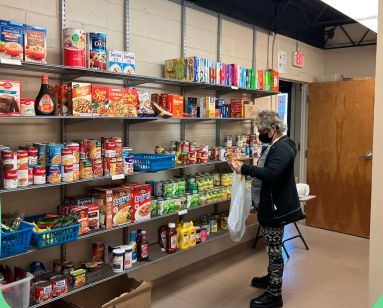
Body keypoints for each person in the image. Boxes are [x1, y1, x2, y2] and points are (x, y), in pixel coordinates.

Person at [230, 110, 303, 308]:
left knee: (274, 251)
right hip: (269, 205)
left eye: (262, 130)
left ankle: (274, 294)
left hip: (276, 208)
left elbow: (271, 174)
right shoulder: (275, 145)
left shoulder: (283, 148)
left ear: (273, 129)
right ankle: (271, 279)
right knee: (271, 247)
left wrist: (246, 169)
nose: (259, 134)